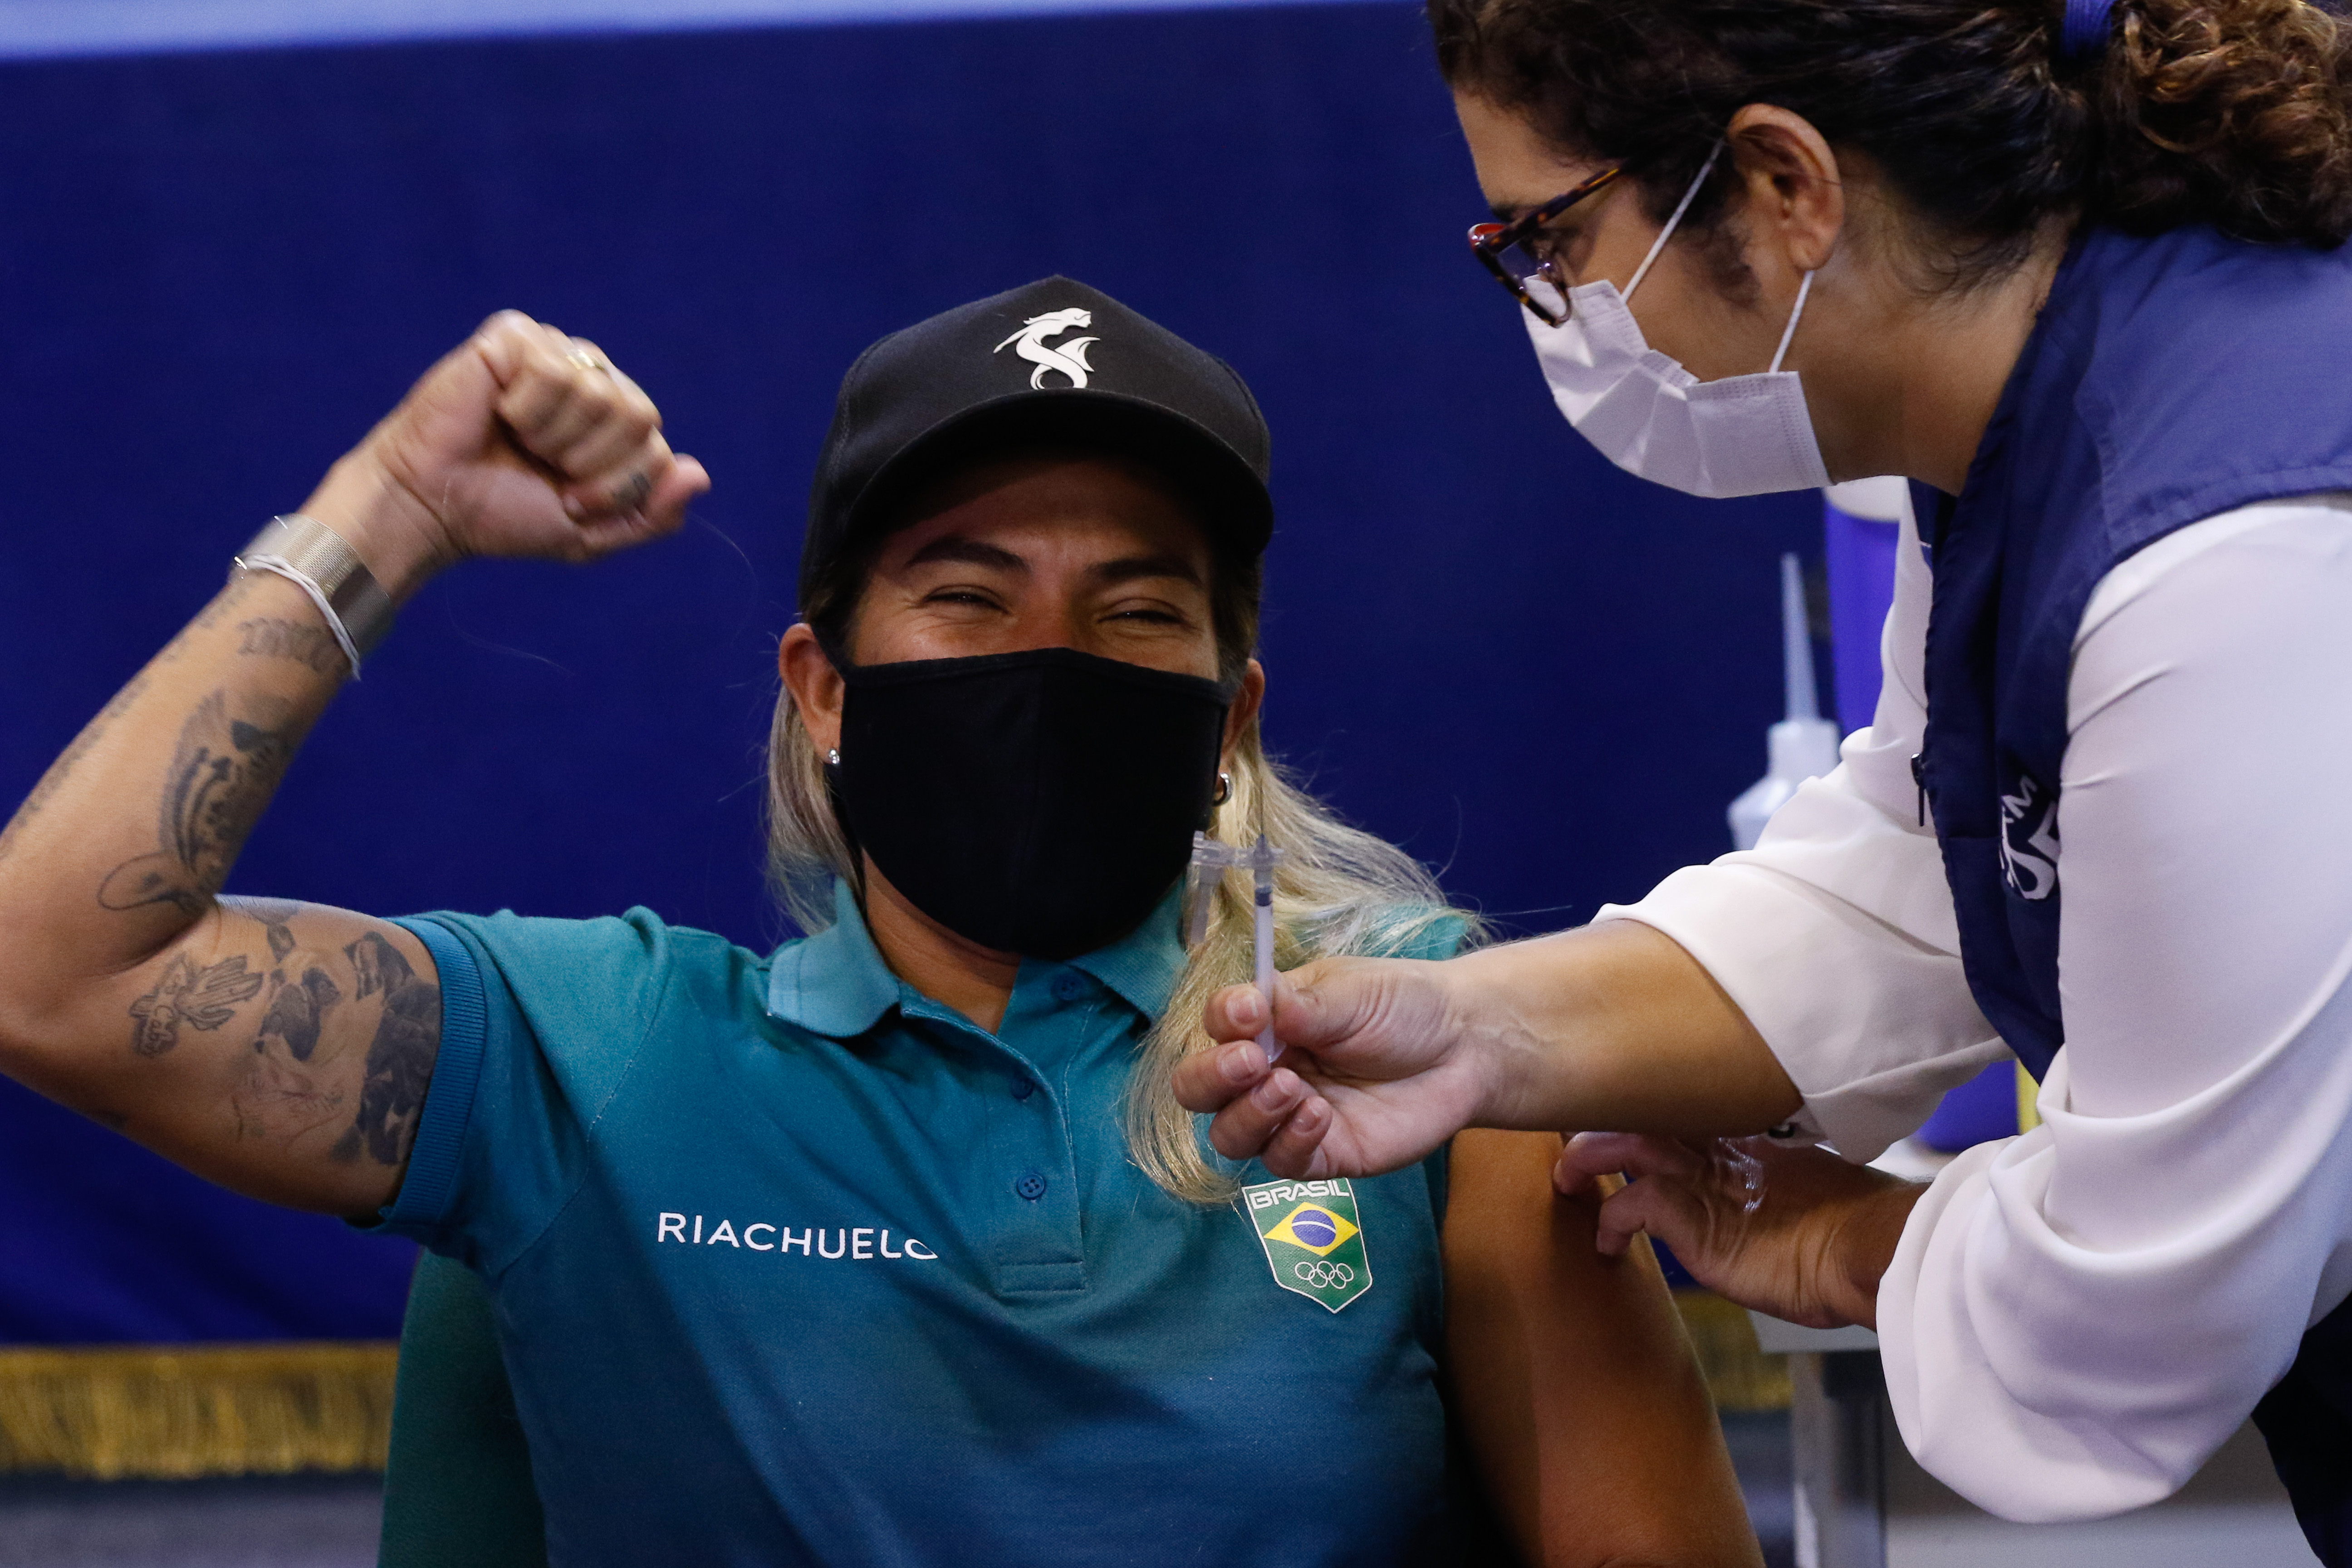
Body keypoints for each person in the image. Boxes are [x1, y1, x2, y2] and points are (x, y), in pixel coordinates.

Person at [0, 278, 1760, 1566]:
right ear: (824, 690)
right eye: (968, 598)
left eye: (1136, 611)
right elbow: (49, 974)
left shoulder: (1423, 1048)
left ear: (1230, 719)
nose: (1049, 662)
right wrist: (387, 507)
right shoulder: (584, 1057)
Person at [1172, 0, 2352, 1558]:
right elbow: (1928, 864)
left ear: (1785, 185)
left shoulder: (2230, 556)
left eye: (1549, 237)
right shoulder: (2038, 415)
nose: (1552, 304)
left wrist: (1855, 1241)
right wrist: (1472, 1036)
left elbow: (2142, 1325)